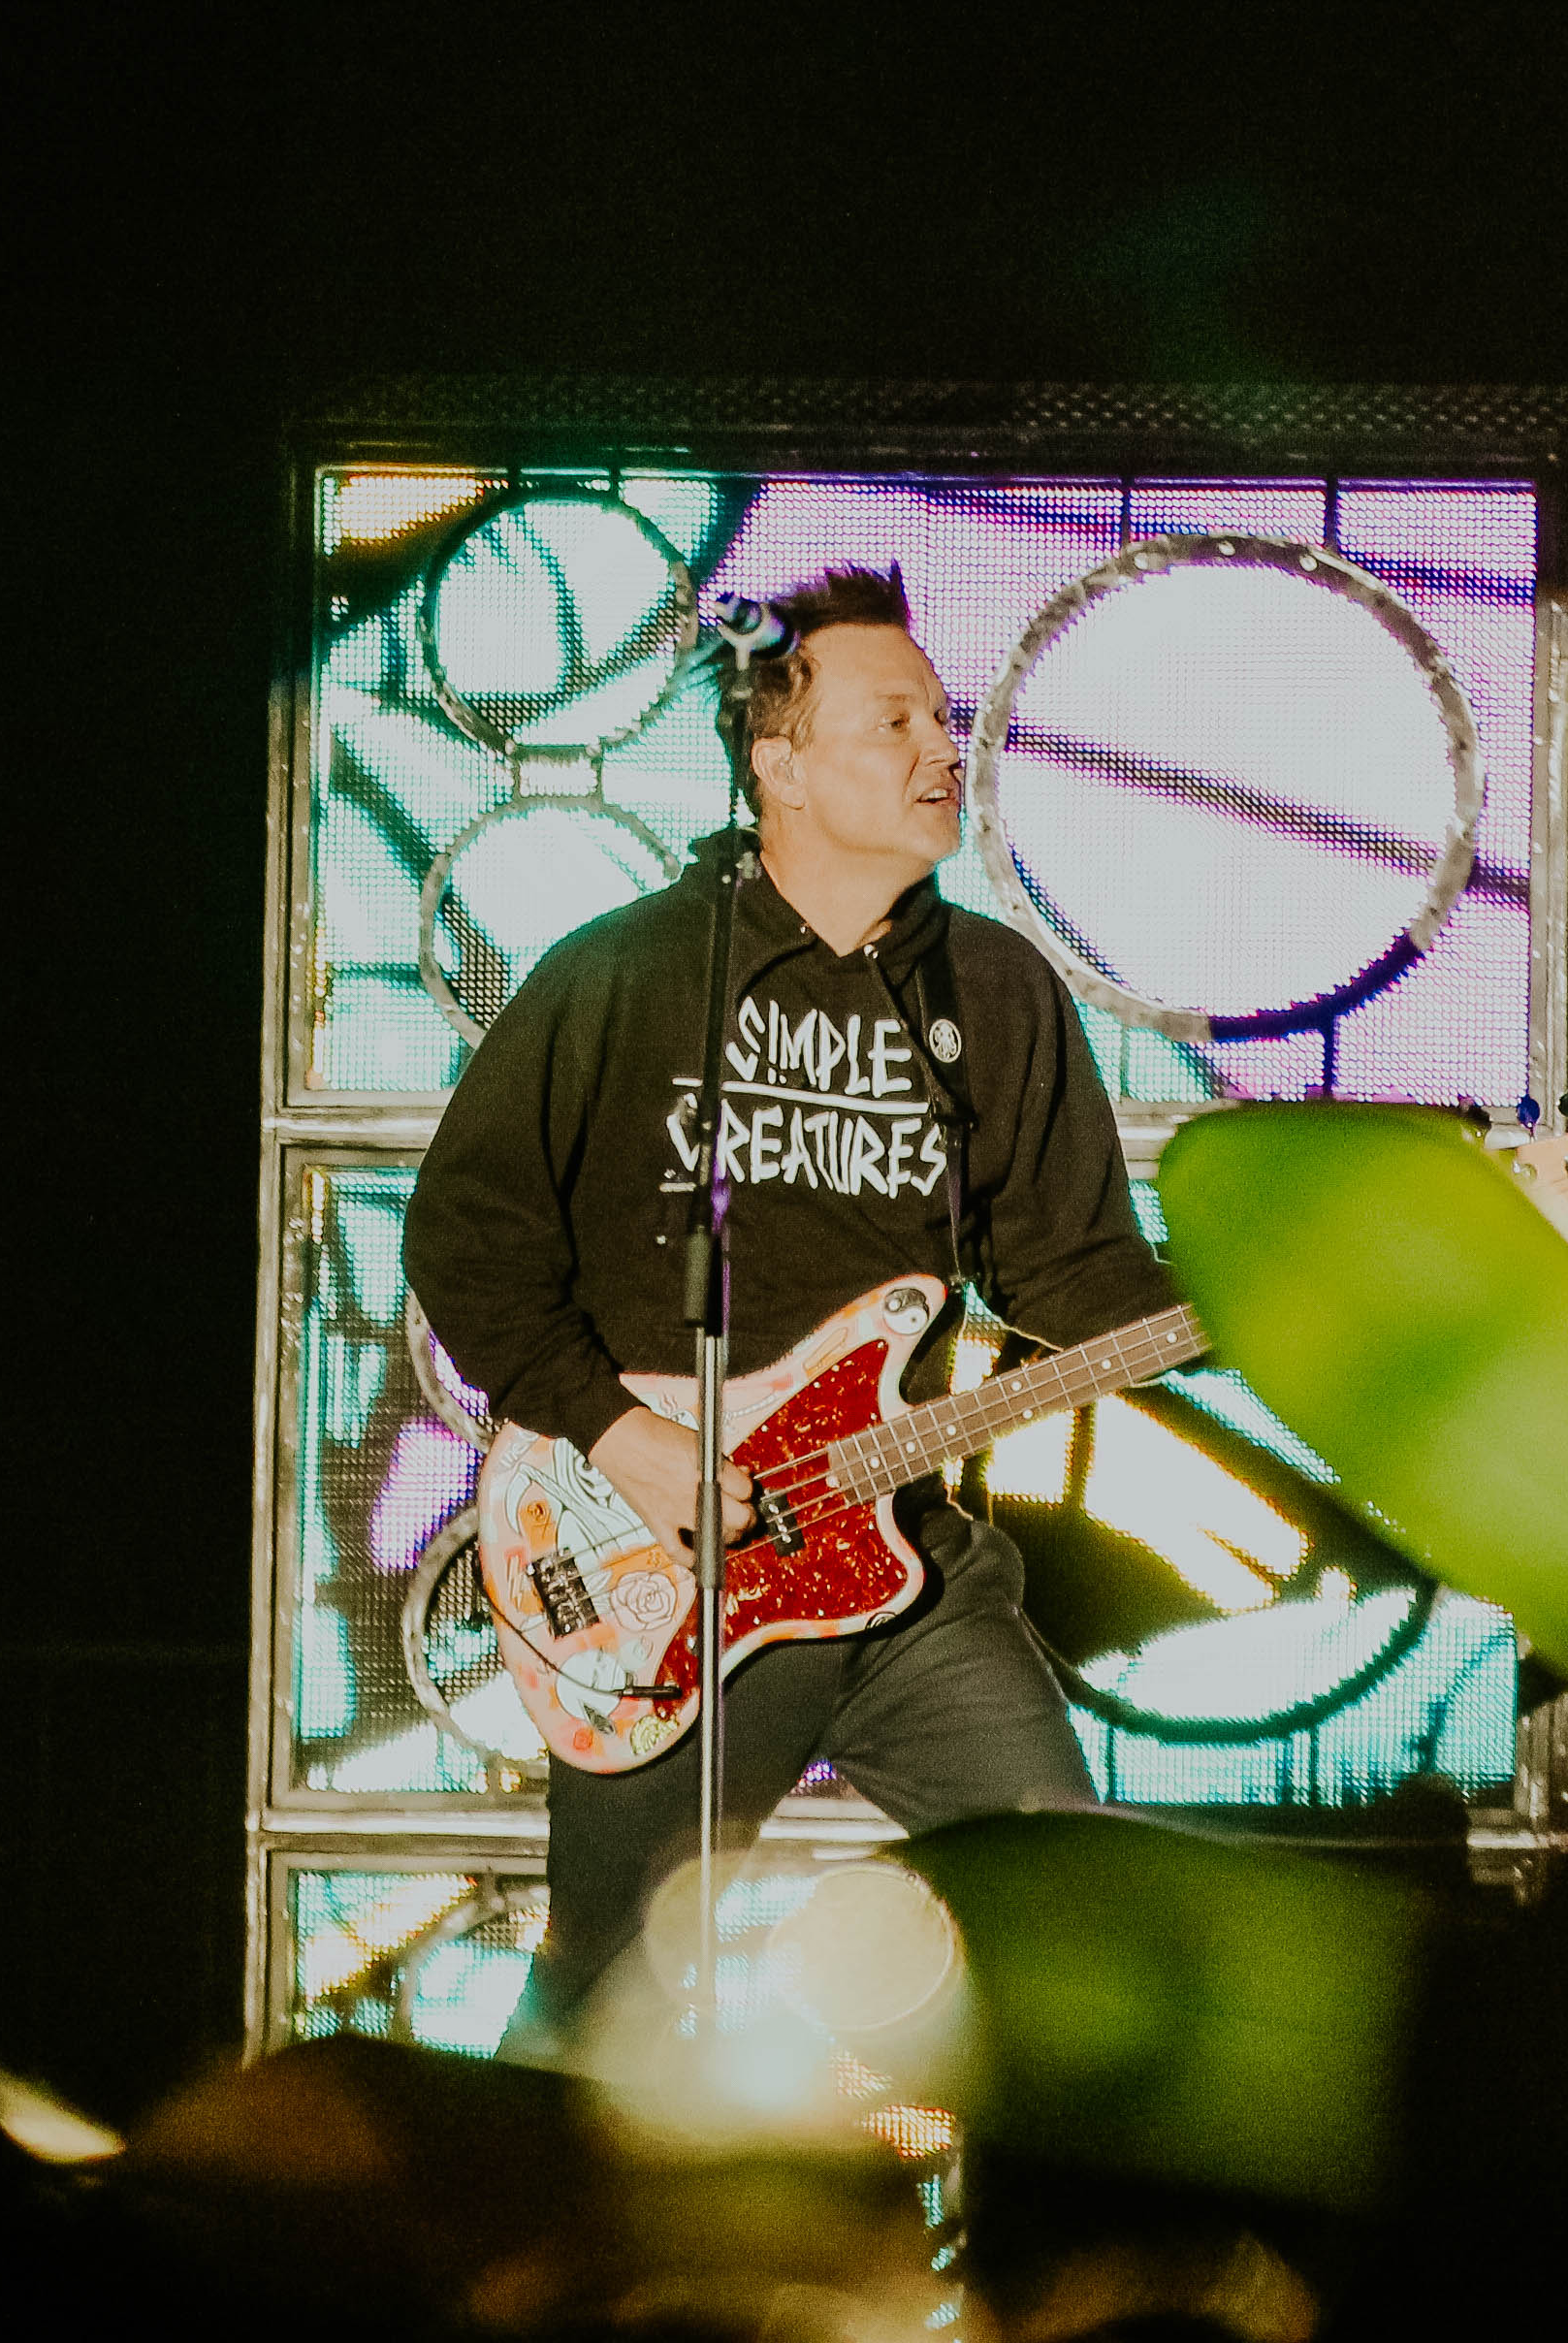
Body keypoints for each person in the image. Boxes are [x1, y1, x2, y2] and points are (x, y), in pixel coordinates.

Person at [408, 562, 1184, 2049]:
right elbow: (468, 1234)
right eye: (895, 722)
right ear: (780, 762)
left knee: (1078, 1928)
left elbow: (1073, 1272)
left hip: (911, 1573)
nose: (943, 748)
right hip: (667, 1574)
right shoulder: (631, 974)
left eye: (944, 719)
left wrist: (1255, 1310)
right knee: (605, 2004)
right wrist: (617, 1433)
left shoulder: (994, 993)